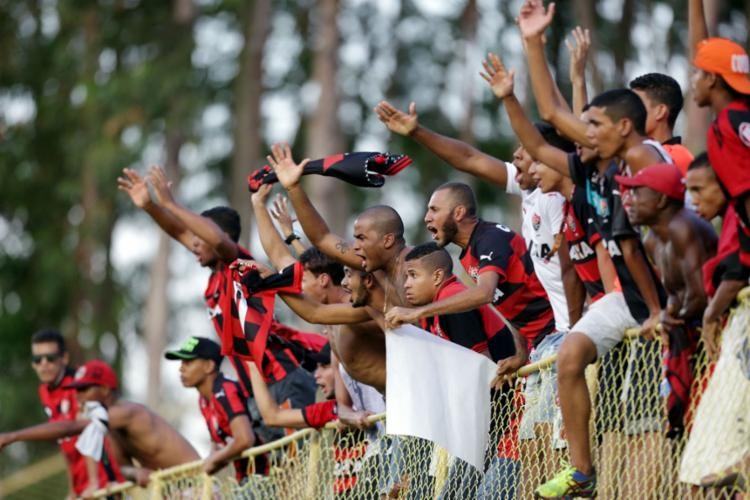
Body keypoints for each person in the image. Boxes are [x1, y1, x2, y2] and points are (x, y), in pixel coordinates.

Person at [117, 166, 317, 441]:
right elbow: (179, 232)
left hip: (282, 376)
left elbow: (216, 240)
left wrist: (171, 203)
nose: (194, 243)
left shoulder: (234, 262)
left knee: (302, 466)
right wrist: (151, 205)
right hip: (256, 392)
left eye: (200, 237)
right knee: (283, 476)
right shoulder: (213, 279)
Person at [373, 101, 578, 337]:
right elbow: (469, 158)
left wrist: (417, 313)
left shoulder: (549, 200)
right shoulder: (528, 191)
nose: (516, 154)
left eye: (525, 147)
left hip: (568, 330)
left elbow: (485, 293)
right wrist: (416, 132)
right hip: (555, 334)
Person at [251, 185, 386, 414]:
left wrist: (272, 282)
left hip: (405, 426)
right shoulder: (333, 322)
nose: (298, 287)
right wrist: (258, 204)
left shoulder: (359, 311)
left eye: (302, 281)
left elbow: (312, 311)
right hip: (379, 437)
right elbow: (279, 257)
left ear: (323, 280)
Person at [617, 163, 717, 436]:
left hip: (715, 329)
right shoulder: (651, 241)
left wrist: (673, 316)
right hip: (688, 332)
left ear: (661, 200)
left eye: (638, 194)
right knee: (689, 421)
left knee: (712, 420)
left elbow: (701, 294)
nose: (629, 200)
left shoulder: (682, 228)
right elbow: (675, 293)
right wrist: (668, 312)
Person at [1, 359, 199, 486]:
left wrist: (12, 437)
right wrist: (135, 471)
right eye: (76, 390)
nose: (78, 396)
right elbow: (119, 469)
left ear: (105, 390)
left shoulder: (126, 413)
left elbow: (70, 427)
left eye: (84, 389)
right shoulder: (107, 428)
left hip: (199, 484)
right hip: (172, 489)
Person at [264, 143, 412, 309]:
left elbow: (315, 314)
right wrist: (293, 187)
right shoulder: (376, 265)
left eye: (362, 238)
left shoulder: (423, 264)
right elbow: (322, 238)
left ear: (387, 240)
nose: (355, 247)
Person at [0, 331, 123, 497]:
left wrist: (95, 481)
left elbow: (92, 431)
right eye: (38, 359)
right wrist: (73, 489)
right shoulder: (44, 391)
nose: (44, 364)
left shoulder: (78, 386)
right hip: (82, 488)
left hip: (104, 484)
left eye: (50, 358)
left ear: (64, 358)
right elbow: (64, 441)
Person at [165, 336, 266, 481]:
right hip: (247, 477)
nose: (181, 368)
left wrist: (213, 460)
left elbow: (245, 439)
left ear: (209, 366)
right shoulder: (203, 400)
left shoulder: (225, 390)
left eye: (188, 362)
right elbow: (218, 445)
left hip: (269, 473)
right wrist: (208, 464)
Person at [629, 73, 694, 174]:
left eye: (637, 105)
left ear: (660, 111)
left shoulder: (676, 158)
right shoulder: (640, 152)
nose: (629, 113)